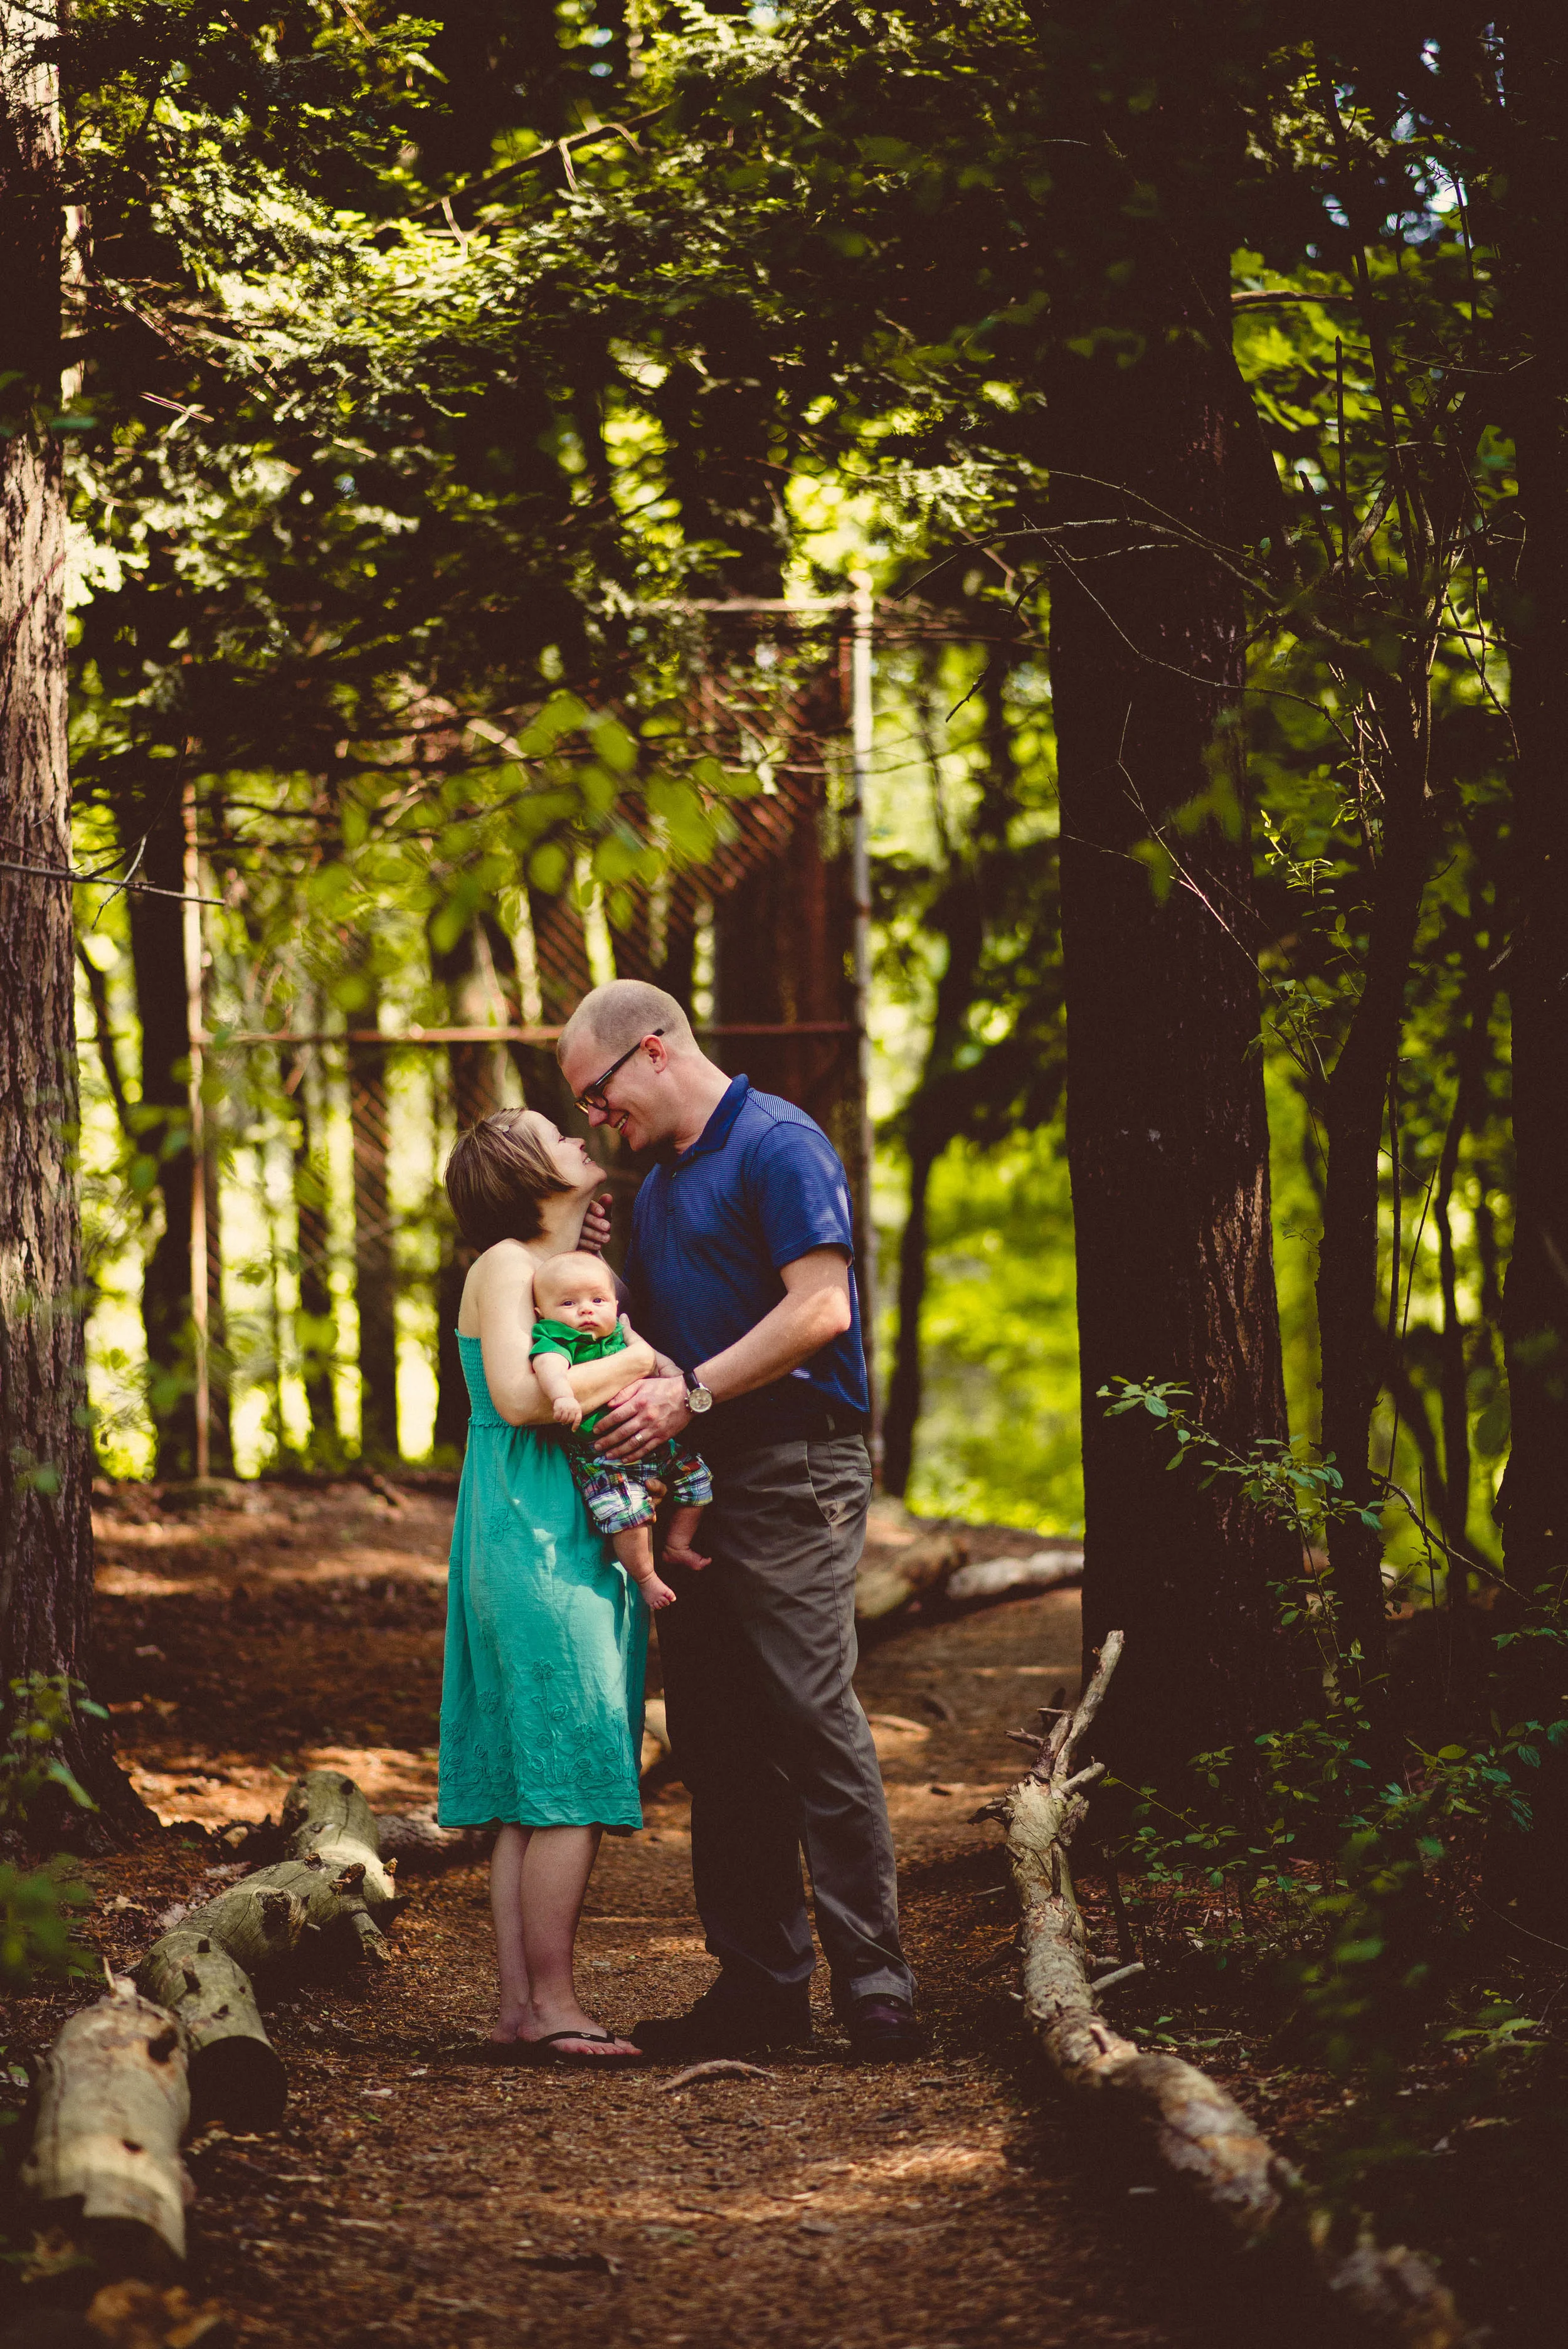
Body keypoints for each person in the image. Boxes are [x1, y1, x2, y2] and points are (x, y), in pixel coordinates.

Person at [556, 980, 921, 2065]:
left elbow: (820, 1310)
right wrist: (587, 1255)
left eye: (596, 1093)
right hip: (693, 1484)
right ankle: (762, 1988)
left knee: (810, 1713)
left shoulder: (778, 1143)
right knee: (716, 1736)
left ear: (654, 1051)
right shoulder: (662, 1184)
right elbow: (652, 1340)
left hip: (792, 1467)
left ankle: (876, 1988)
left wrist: (693, 1397)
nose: (592, 1118)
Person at [438, 1107, 655, 2067]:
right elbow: (526, 1398)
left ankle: (523, 2008)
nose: (577, 1137)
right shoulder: (502, 1265)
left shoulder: (555, 1272)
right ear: (523, 1172)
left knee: (541, 1784)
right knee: (566, 1771)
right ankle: (556, 2005)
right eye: (553, 1134)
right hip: (533, 1535)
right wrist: (644, 1362)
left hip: (556, 1527)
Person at [527, 1248, 713, 1610]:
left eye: (598, 1299)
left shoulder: (622, 1333)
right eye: (568, 1303)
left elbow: (656, 1359)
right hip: (603, 1456)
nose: (586, 1310)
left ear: (614, 1304)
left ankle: (677, 1545)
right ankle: (646, 1578)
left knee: (698, 1478)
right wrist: (562, 1395)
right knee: (628, 1516)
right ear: (542, 1314)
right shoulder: (558, 1340)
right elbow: (549, 1367)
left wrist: (675, 1376)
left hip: (652, 1444)